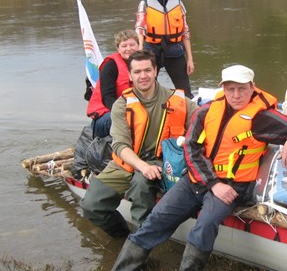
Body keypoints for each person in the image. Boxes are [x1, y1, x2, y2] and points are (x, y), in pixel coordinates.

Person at [85, 64, 287, 271]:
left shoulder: (262, 117)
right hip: (197, 180)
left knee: (204, 227)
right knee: (156, 220)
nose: (236, 95)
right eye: (231, 89)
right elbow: (191, 149)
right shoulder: (205, 112)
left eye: (242, 89)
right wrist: (212, 183)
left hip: (232, 186)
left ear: (252, 88)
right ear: (223, 89)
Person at [80, 50, 198, 238]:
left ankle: (141, 243)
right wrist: (142, 166)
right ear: (129, 75)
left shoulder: (178, 100)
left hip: (160, 161)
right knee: (92, 206)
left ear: (155, 71)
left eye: (147, 70)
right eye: (137, 72)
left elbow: (206, 120)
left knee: (141, 186)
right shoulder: (121, 104)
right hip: (125, 163)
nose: (143, 76)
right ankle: (124, 239)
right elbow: (120, 146)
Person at [135, 0, 194, 98]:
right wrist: (140, 52)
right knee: (147, 90)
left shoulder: (178, 2)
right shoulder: (144, 3)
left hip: (175, 49)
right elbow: (140, 27)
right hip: (151, 49)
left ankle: (187, 113)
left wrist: (190, 59)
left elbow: (185, 31)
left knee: (185, 92)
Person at [86, 30, 137, 138]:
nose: (129, 49)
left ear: (138, 45)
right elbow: (107, 97)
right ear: (118, 49)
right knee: (132, 118)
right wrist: (127, 111)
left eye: (132, 45)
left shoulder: (143, 64)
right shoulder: (110, 66)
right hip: (105, 116)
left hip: (134, 110)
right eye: (124, 46)